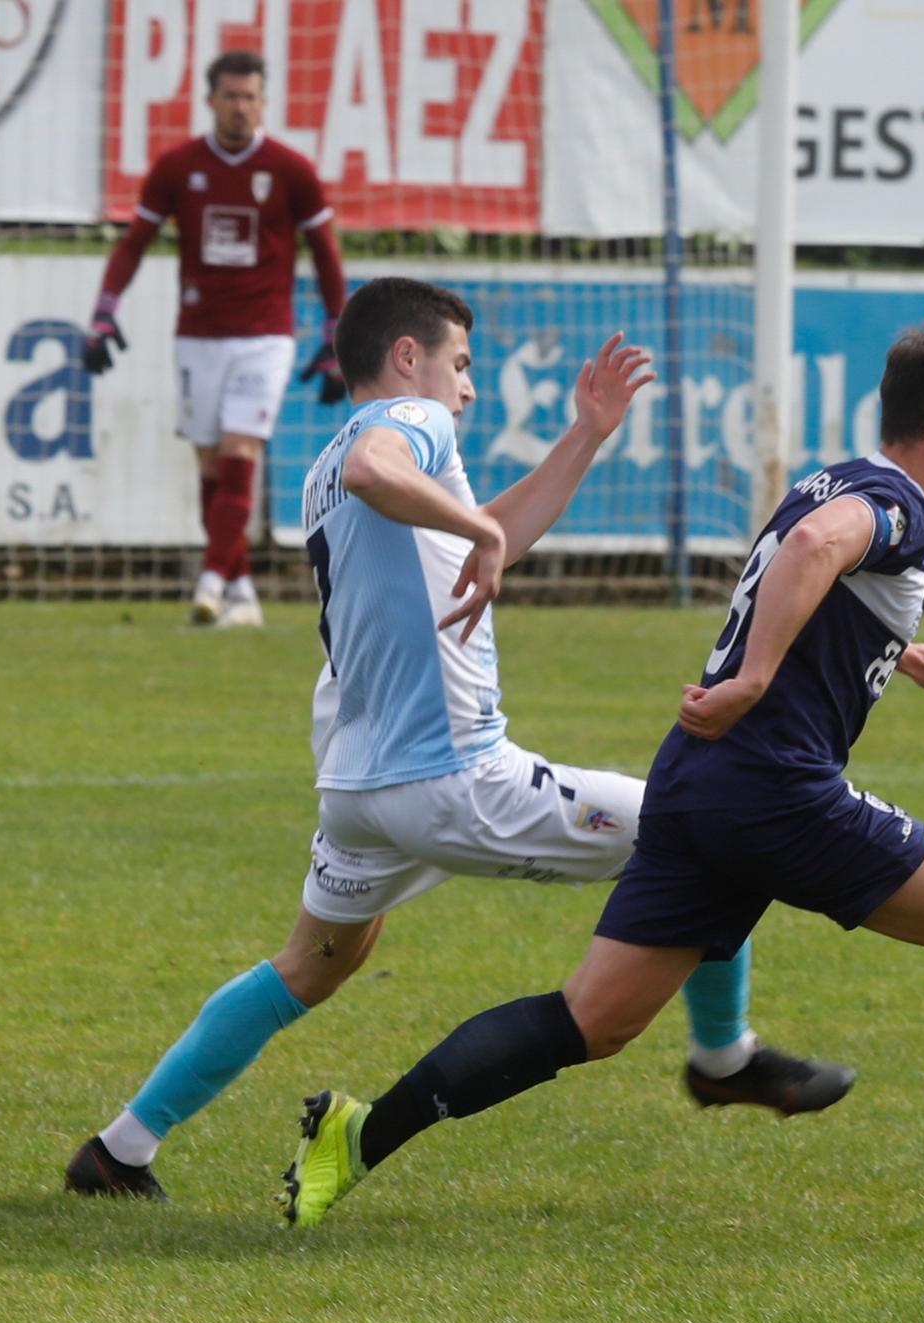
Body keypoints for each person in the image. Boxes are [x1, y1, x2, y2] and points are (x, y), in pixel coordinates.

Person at [275, 325, 924, 1241]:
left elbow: (802, 565)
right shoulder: (899, 501)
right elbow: (817, 550)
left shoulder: (835, 474)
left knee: (591, 1020)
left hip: (695, 784)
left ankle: (358, 1136)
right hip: (775, 787)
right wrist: (758, 682)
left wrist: (897, 650)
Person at [63, 277, 854, 1202]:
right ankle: (723, 1056)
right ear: (409, 357)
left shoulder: (334, 465)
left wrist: (584, 437)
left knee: (311, 966)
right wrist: (472, 520)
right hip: (453, 777)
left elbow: (490, 535)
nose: (469, 387)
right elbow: (388, 473)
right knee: (708, 829)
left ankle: (120, 1148)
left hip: (361, 794)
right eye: (461, 363)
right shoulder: (403, 422)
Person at [82, 49, 350, 629]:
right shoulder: (179, 167)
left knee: (240, 452)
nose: (240, 107)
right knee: (210, 466)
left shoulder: (290, 169)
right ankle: (240, 589)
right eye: (230, 96)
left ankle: (207, 582)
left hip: (265, 335)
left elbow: (326, 255)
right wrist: (104, 312)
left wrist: (336, 335)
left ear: (264, 101)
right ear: (210, 101)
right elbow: (134, 243)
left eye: (250, 96)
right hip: (198, 336)